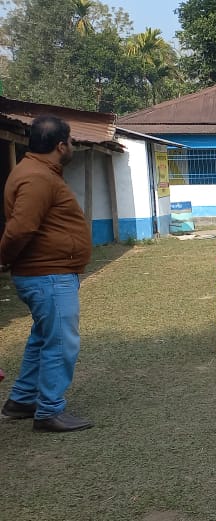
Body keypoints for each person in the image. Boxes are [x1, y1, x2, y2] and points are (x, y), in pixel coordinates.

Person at [0, 115, 94, 432]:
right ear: (60, 145)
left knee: (42, 339)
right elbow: (21, 228)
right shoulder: (38, 177)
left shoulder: (36, 171)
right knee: (60, 344)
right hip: (48, 275)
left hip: (47, 274)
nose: (71, 148)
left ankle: (23, 400)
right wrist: (3, 258)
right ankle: (49, 410)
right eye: (70, 142)